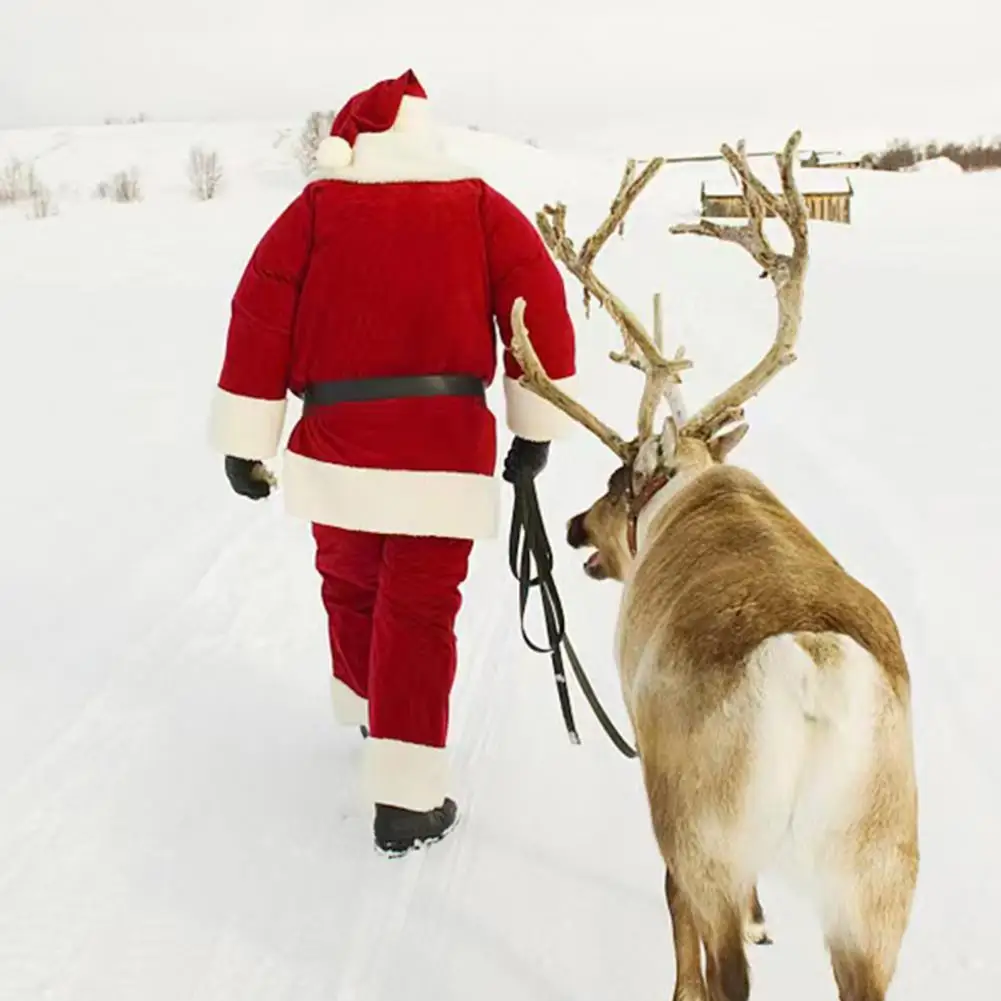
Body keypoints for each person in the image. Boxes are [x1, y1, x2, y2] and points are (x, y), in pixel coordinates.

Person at [207, 68, 578, 856]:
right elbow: (535, 301)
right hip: (441, 445)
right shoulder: (477, 203)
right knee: (417, 607)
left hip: (336, 440)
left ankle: (379, 711)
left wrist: (248, 440)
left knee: (348, 579)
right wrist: (534, 427)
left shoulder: (316, 208)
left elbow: (261, 307)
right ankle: (406, 798)